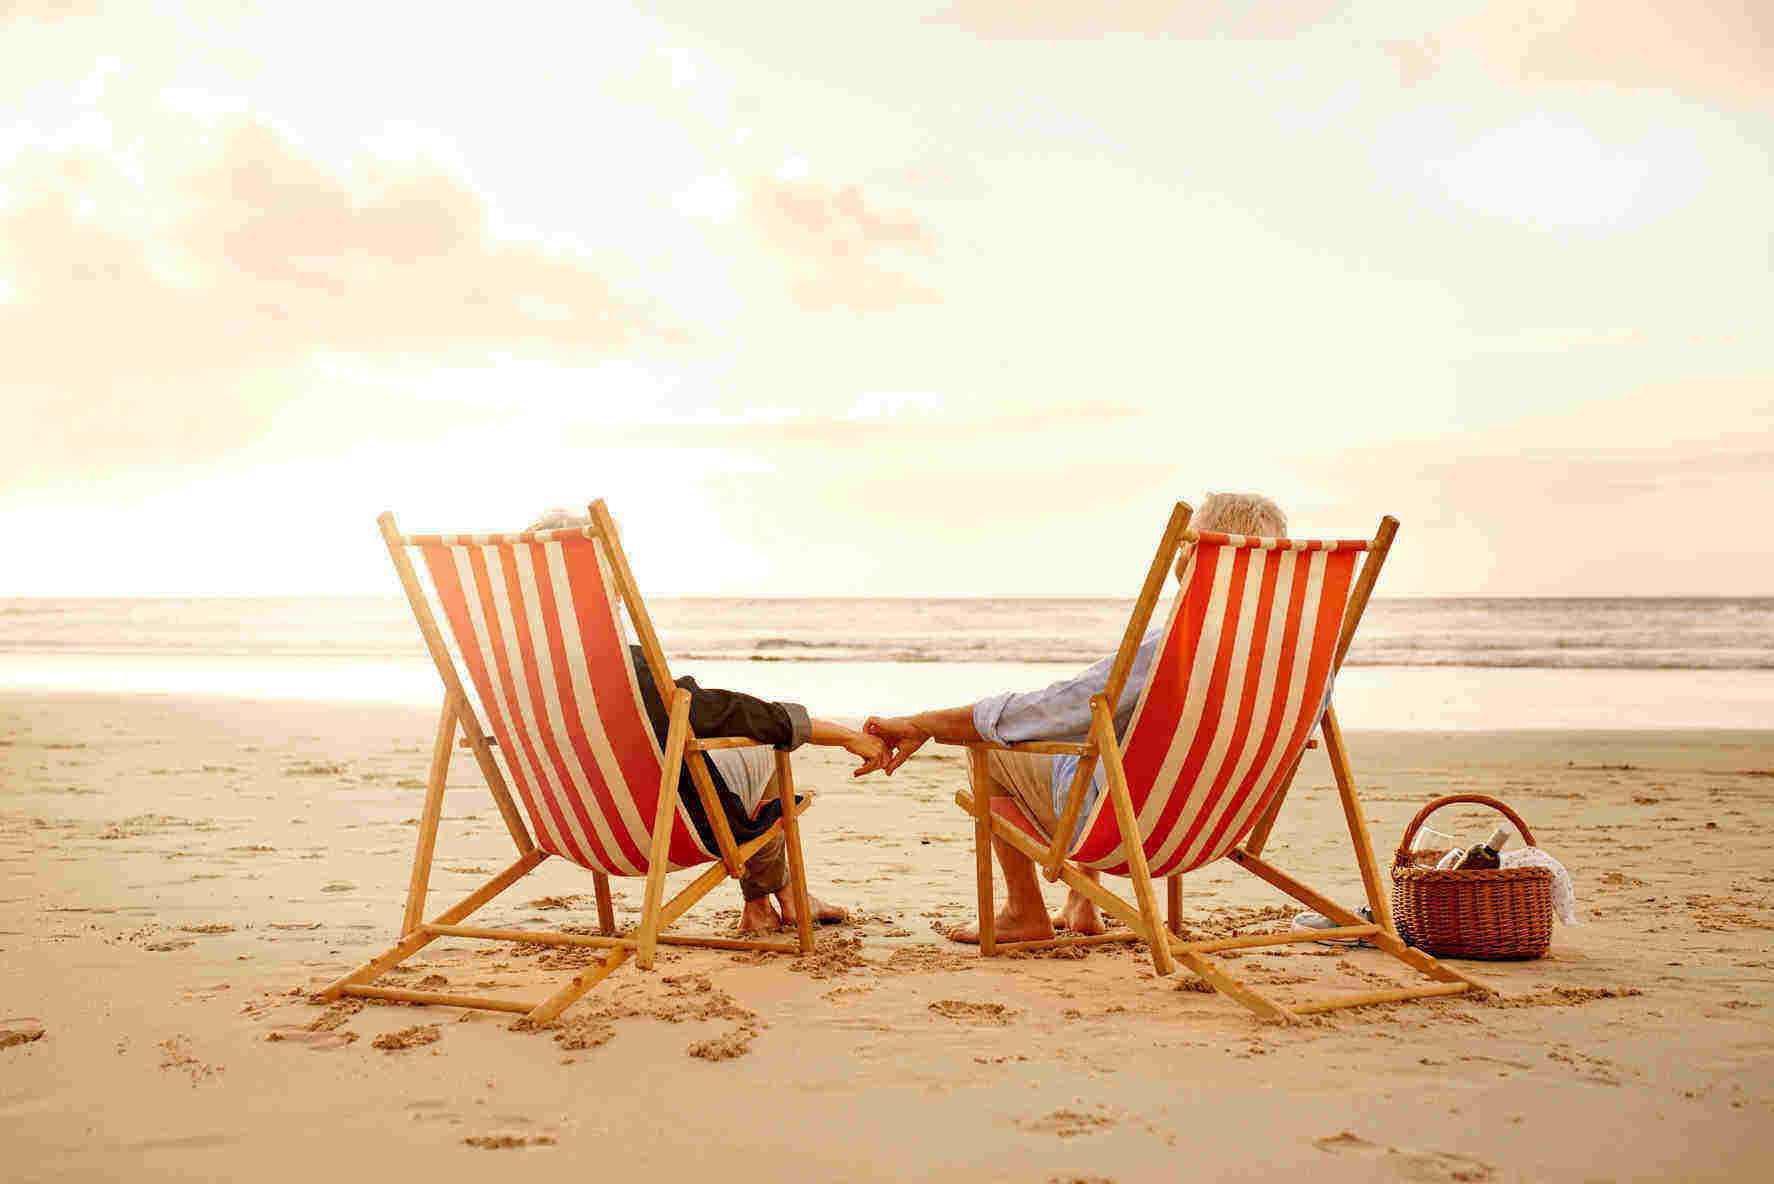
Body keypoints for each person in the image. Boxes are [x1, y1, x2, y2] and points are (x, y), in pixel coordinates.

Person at [864, 493, 1287, 945]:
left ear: (1190, 555)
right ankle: (1081, 902)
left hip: (1132, 835)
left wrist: (924, 724)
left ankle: (1023, 911)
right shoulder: (1302, 660)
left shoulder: (1175, 648)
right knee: (1108, 729)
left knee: (993, 745)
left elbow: (1047, 711)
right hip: (1214, 828)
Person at [526, 509, 884, 934]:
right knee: (763, 746)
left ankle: (774, 902)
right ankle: (775, 899)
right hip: (659, 834)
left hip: (578, 826)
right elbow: (739, 715)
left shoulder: (513, 671)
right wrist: (844, 736)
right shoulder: (620, 670)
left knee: (737, 740)